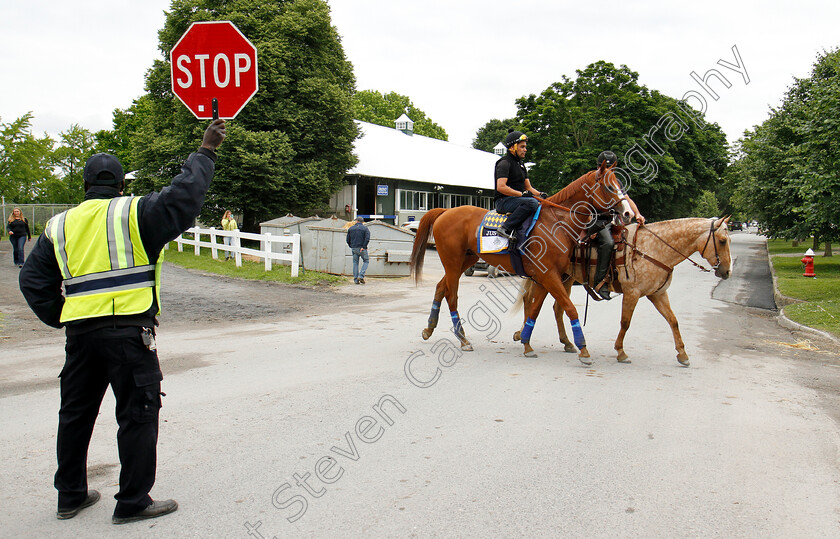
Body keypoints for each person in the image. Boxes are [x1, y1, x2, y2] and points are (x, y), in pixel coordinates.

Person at [19, 119, 226, 524]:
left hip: (80, 336)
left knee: (75, 415)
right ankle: (132, 501)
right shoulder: (136, 211)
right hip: (130, 336)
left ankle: (70, 496)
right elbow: (184, 197)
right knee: (137, 413)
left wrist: (62, 316)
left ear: (84, 185)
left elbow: (32, 281)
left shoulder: (59, 226)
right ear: (119, 183)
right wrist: (205, 150)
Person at [589, 151, 645, 300]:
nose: (610, 171)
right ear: (599, 168)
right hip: (595, 220)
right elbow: (585, 206)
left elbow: (626, 198)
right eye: (607, 168)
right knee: (608, 242)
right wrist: (589, 227)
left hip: (611, 219)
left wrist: (637, 214)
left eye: (612, 168)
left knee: (630, 238)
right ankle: (599, 282)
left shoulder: (615, 182)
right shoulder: (592, 180)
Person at [494, 130, 546, 241]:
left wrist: (541, 194)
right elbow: (501, 187)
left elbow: (528, 187)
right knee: (532, 203)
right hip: (503, 201)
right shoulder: (504, 163)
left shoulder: (521, 164)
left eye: (525, 147)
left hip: (517, 199)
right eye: (522, 147)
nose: (525, 150)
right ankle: (505, 228)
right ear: (512, 147)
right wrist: (521, 194)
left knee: (541, 202)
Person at [346, 216, 370, 284]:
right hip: (362, 248)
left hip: (354, 248)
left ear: (356, 221)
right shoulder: (365, 229)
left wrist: (351, 246)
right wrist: (364, 246)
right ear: (362, 222)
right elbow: (367, 238)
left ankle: (356, 280)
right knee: (366, 261)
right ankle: (361, 276)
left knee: (355, 263)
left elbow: (347, 240)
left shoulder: (351, 228)